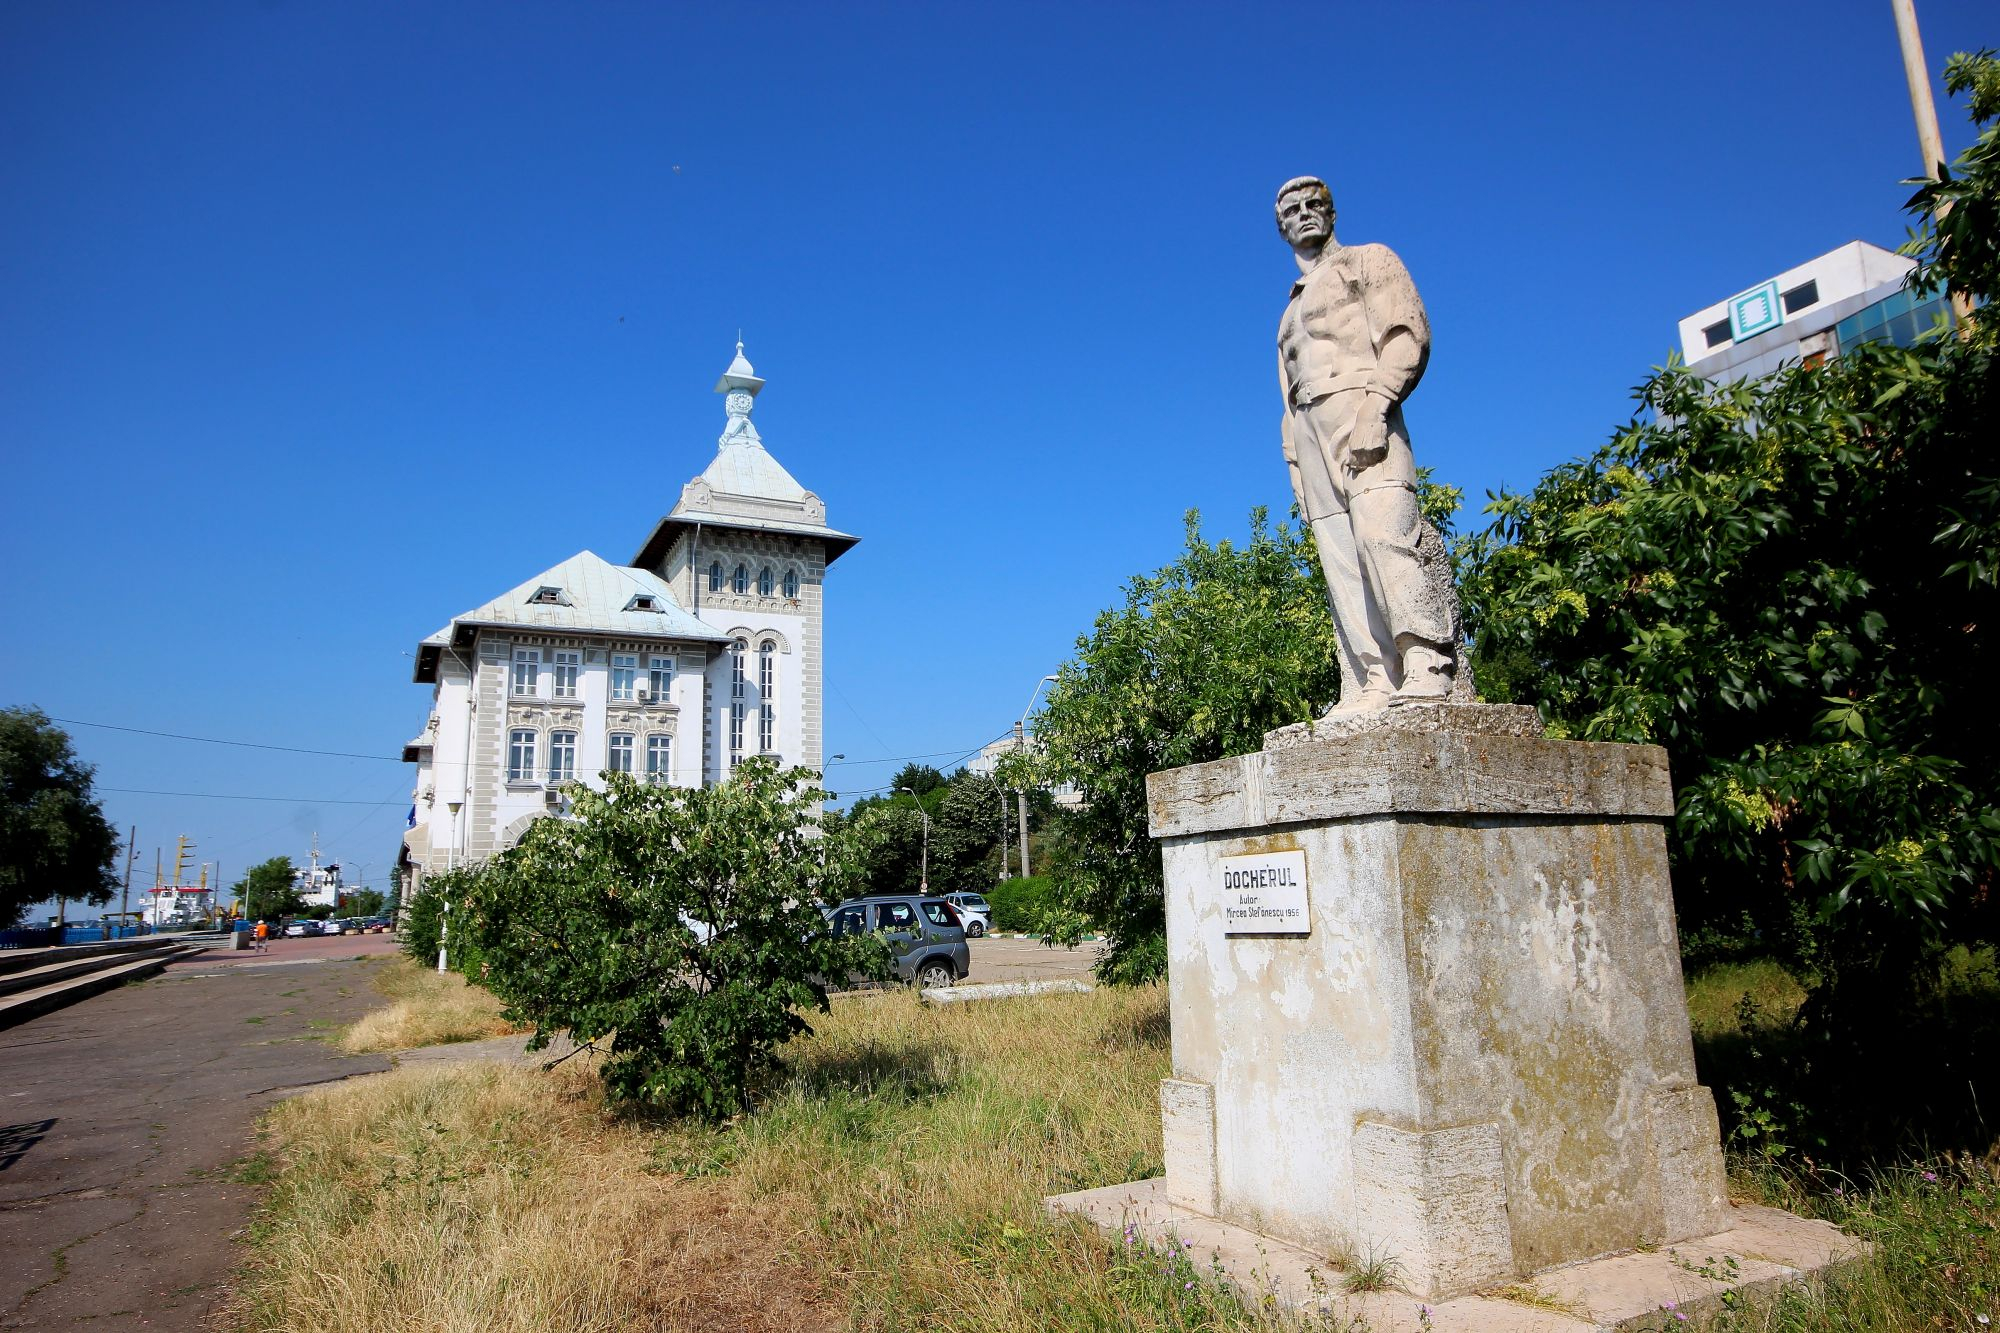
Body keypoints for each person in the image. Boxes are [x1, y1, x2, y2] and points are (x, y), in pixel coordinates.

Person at [1275, 175, 1462, 712]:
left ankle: (1428, 661)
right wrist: (1294, 463)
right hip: (1310, 430)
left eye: (1316, 204)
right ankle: (1372, 679)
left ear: (1331, 214)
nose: (1305, 213)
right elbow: (1286, 398)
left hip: (1358, 403)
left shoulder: (1368, 261)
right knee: (1339, 558)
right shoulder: (1287, 313)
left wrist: (1377, 405)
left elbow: (1407, 332)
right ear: (1282, 226)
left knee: (1384, 534)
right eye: (1293, 209)